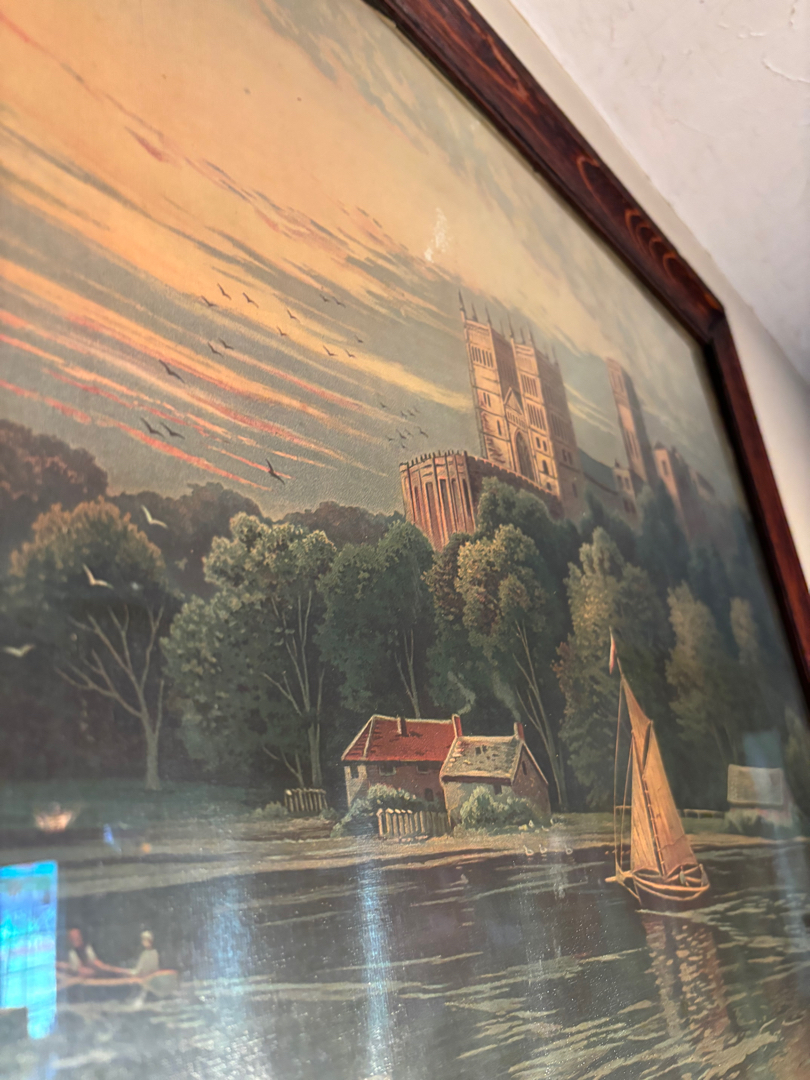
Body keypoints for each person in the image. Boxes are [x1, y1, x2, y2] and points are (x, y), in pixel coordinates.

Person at [57, 928, 128, 978]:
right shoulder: (71, 953)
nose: (76, 939)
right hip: (80, 977)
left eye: (77, 936)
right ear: (70, 939)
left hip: (99, 972)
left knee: (106, 968)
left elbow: (96, 964)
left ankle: (124, 972)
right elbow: (77, 970)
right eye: (73, 937)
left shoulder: (87, 948)